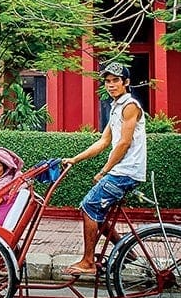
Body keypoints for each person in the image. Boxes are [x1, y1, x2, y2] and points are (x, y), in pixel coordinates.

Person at [62, 62, 146, 276]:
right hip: (122, 171)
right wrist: (75, 159)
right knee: (93, 210)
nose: (110, 85)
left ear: (126, 83)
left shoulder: (130, 106)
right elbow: (103, 141)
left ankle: (88, 261)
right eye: (107, 81)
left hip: (126, 171)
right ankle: (126, 251)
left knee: (89, 206)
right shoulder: (116, 107)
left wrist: (104, 171)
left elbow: (124, 143)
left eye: (115, 81)